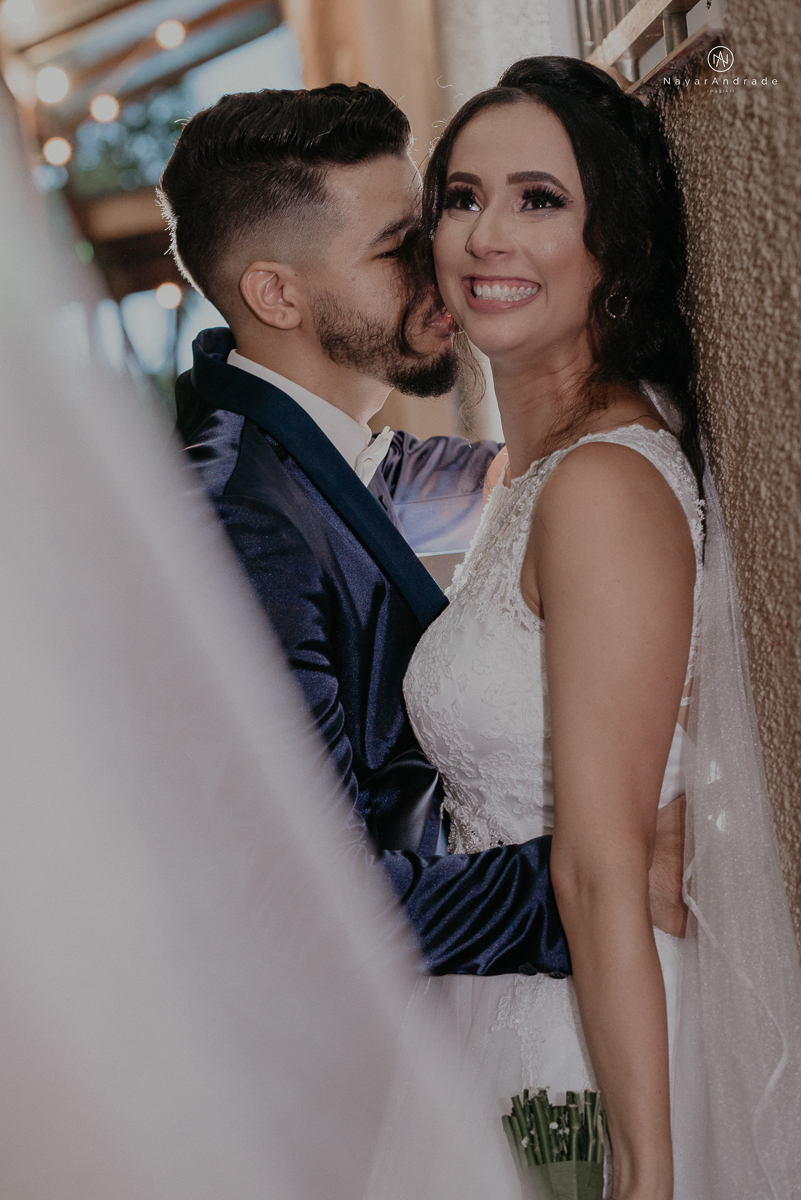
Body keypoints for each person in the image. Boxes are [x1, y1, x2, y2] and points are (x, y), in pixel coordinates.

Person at [157, 82, 688, 980]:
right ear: (275, 295)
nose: (445, 261)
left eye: (431, 218)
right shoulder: (235, 525)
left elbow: (476, 481)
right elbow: (313, 910)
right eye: (398, 246)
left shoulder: (306, 442)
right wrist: (602, 879)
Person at [388, 56, 801, 1200]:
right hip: (502, 1010)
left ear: (610, 244)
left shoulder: (600, 488)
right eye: (462, 199)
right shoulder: (533, 472)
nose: (485, 236)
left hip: (585, 1041)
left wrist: (644, 1173)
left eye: (539, 199)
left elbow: (607, 864)